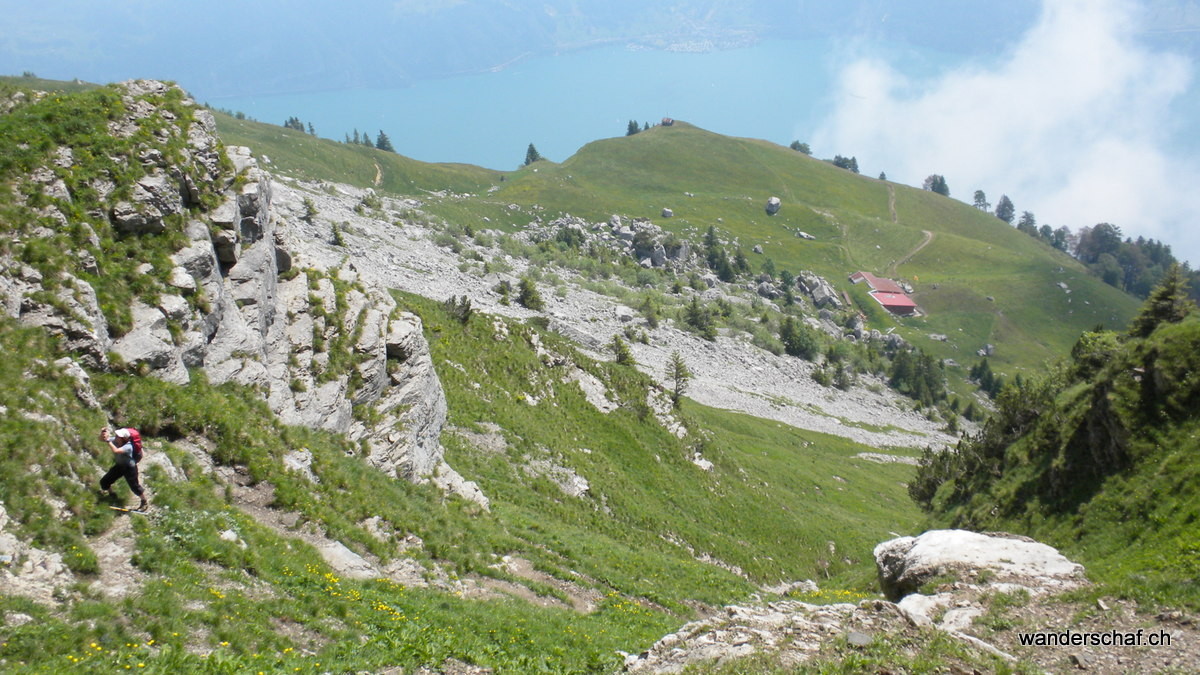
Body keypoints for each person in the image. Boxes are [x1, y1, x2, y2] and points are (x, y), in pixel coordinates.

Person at [99, 427, 149, 511]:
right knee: (104, 481)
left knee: (134, 486)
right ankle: (112, 495)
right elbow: (101, 439)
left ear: (124, 438)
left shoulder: (129, 446)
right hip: (120, 466)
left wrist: (108, 440)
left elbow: (116, 451)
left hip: (129, 468)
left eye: (118, 436)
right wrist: (102, 434)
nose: (116, 436)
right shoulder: (116, 440)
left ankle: (144, 501)